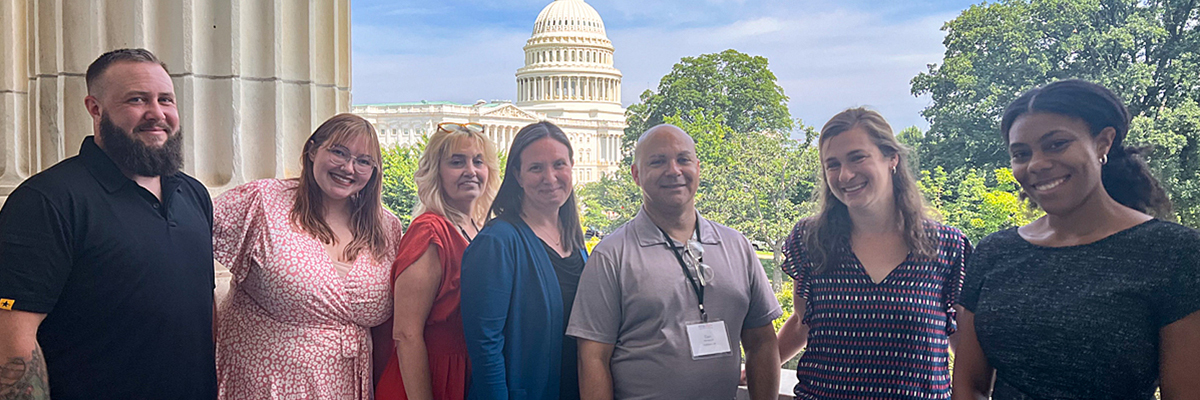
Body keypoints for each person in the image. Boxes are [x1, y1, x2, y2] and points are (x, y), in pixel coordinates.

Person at [952, 79, 1200, 400]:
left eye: (1056, 144)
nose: (1037, 164)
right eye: (1021, 153)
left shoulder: (1173, 252)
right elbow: (968, 387)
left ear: (1103, 143)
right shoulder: (993, 252)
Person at [0, 48, 217, 399]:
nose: (157, 113)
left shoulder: (194, 195)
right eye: (137, 99)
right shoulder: (47, 201)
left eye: (166, 100)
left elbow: (201, 313)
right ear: (95, 108)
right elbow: (11, 337)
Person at [568, 124, 784, 400]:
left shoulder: (737, 246)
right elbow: (593, 358)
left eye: (683, 160)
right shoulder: (611, 256)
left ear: (697, 167)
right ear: (636, 174)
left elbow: (762, 342)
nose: (674, 171)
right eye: (657, 162)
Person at [775, 108, 971, 399]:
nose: (845, 175)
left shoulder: (947, 246)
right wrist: (761, 365)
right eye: (832, 164)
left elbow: (965, 343)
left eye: (857, 157)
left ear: (892, 158)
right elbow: (803, 323)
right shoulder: (810, 240)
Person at [212, 113, 404, 399]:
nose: (348, 168)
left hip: (344, 387)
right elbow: (184, 247)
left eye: (363, 161)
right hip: (264, 384)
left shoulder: (387, 228)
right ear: (313, 150)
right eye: (339, 152)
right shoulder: (263, 201)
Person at [461, 121, 588, 400]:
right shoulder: (497, 242)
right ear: (517, 175)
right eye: (536, 168)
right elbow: (485, 347)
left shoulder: (577, 245)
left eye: (559, 165)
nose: (550, 177)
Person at [375, 122, 500, 400]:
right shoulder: (430, 232)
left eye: (478, 161)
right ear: (436, 172)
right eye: (457, 162)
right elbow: (406, 334)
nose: (470, 171)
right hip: (430, 377)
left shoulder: (479, 228)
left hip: (467, 372)